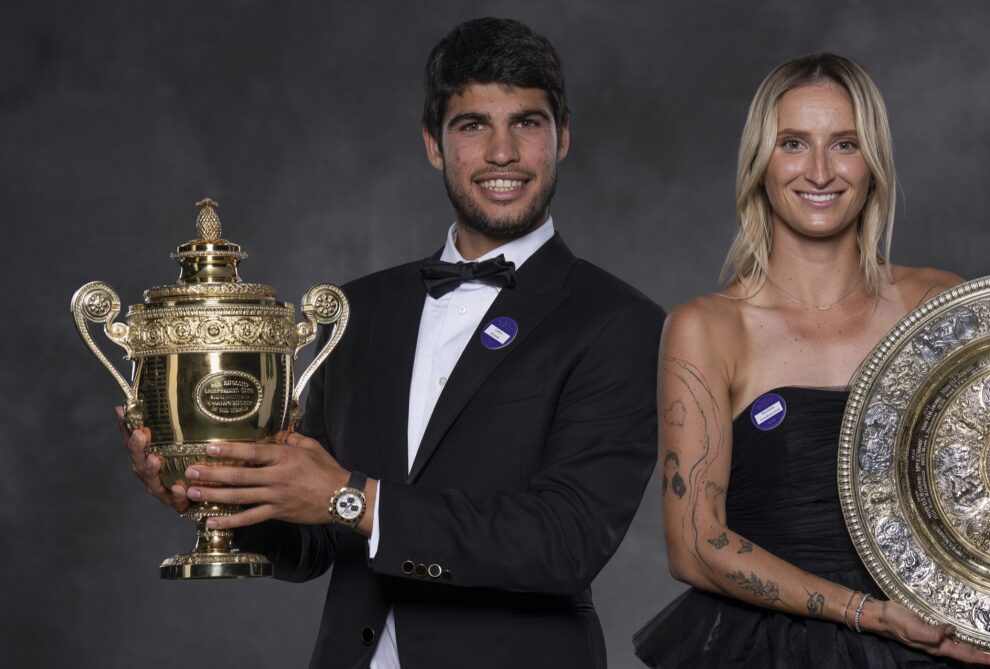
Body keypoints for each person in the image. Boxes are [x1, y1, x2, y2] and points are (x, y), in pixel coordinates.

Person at [120, 17, 664, 669]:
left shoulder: (617, 321)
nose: (502, 152)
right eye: (472, 125)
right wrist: (220, 493)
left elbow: (564, 541)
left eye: (527, 122)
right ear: (434, 143)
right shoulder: (357, 310)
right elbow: (312, 544)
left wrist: (349, 496)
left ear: (563, 137)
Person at [633, 53, 990, 667]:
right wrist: (867, 614)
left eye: (844, 143)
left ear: (873, 163)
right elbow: (695, 545)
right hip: (775, 649)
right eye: (794, 143)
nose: (819, 170)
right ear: (760, 163)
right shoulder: (708, 328)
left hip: (936, 646)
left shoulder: (937, 303)